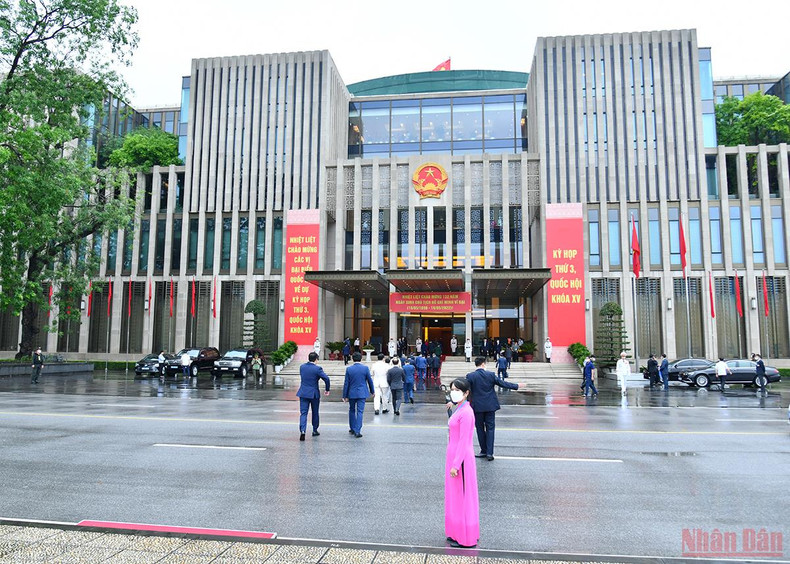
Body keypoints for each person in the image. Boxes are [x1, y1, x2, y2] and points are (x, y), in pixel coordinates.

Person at [444, 378, 479, 549]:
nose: (454, 392)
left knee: (463, 497)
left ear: (466, 393)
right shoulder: (460, 408)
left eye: (457, 390)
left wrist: (456, 465)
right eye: (452, 389)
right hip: (454, 456)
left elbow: (465, 441)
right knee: (456, 497)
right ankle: (456, 532)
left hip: (461, 459)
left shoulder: (467, 412)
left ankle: (466, 538)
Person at [465, 357, 521, 460]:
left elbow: (464, 389)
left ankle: (483, 450)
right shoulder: (490, 375)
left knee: (480, 429)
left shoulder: (470, 376)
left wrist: (454, 400)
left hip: (477, 407)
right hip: (490, 406)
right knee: (490, 429)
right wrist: (516, 386)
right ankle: (490, 453)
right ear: (483, 364)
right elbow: (503, 383)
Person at [296, 352, 330, 441]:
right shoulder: (317, 369)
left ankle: (302, 430)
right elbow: (326, 378)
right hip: (314, 393)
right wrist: (327, 389)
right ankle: (315, 430)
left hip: (303, 392)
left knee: (303, 413)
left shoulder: (302, 367)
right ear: (316, 359)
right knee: (315, 412)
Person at [342, 352, 375, 437]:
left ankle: (352, 428)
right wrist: (372, 391)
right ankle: (357, 430)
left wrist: (344, 395)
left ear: (352, 359)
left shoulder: (349, 369)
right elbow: (369, 381)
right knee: (360, 411)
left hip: (352, 392)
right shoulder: (365, 368)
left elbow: (346, 383)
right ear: (361, 358)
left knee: (352, 410)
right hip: (362, 392)